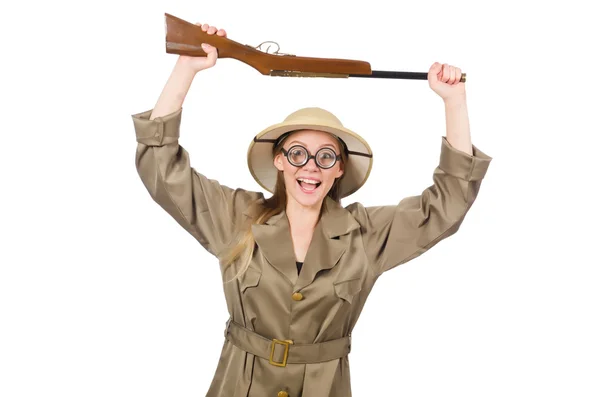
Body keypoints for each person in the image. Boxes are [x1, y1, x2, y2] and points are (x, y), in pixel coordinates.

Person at [131, 22, 492, 397]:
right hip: (240, 385)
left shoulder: (365, 234)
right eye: (298, 153)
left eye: (325, 157)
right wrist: (187, 69)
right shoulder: (237, 217)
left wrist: (454, 102)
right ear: (280, 161)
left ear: (339, 170)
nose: (311, 167)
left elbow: (447, 204)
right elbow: (160, 167)